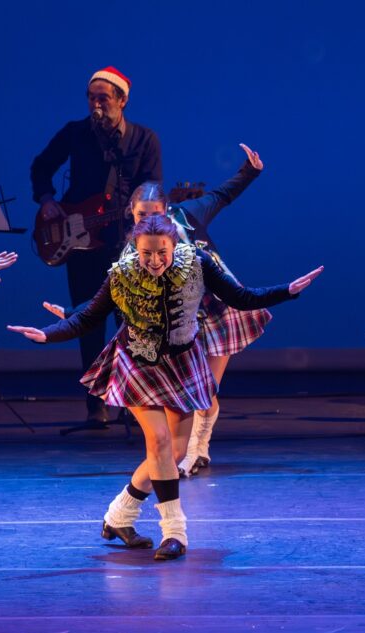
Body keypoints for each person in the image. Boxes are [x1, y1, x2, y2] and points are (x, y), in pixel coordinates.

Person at [9, 215, 322, 560]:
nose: (154, 260)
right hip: (138, 363)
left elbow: (241, 297)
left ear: (174, 246)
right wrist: (48, 334)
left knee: (172, 454)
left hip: (182, 363)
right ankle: (175, 532)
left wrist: (286, 292)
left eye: (162, 252)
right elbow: (88, 317)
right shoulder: (122, 274)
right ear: (136, 248)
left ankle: (118, 515)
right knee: (157, 442)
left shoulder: (198, 264)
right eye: (146, 253)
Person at [45, 144, 270, 477]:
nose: (149, 221)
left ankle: (197, 451)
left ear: (166, 209)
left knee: (207, 388)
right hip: (179, 320)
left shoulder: (190, 214)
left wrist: (249, 171)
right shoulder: (132, 250)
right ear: (131, 214)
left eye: (155, 214)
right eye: (141, 215)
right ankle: (187, 451)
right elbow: (109, 295)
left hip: (217, 308)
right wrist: (70, 312)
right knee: (192, 390)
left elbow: (223, 195)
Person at [31, 66, 162, 423]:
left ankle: (132, 400)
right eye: (92, 97)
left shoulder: (143, 140)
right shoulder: (75, 133)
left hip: (124, 244)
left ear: (122, 100)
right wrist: (46, 199)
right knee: (87, 323)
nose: (96, 105)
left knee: (132, 322)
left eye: (103, 98)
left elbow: (152, 189)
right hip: (80, 243)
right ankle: (97, 402)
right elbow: (40, 166)